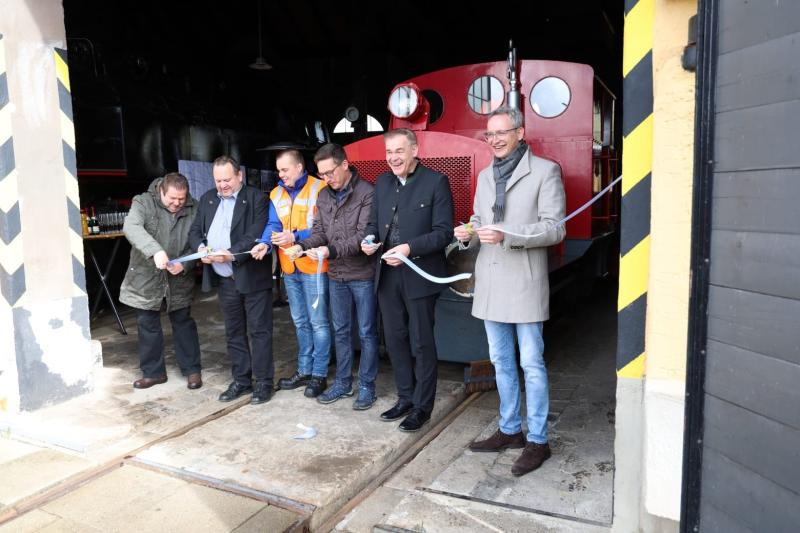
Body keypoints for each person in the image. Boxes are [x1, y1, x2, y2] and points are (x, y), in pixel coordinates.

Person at [454, 106, 566, 476]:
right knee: (501, 362)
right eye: (490, 134)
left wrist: (508, 234)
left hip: (524, 281)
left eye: (502, 132)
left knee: (530, 364)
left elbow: (554, 229)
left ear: (521, 131)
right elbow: (479, 220)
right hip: (491, 280)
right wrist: (467, 233)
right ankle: (508, 430)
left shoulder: (546, 171)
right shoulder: (485, 176)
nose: (495, 139)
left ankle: (538, 440)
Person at [362, 128, 454, 432]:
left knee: (421, 342)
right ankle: (404, 398)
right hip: (387, 274)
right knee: (395, 340)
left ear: (415, 150)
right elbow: (374, 223)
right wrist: (369, 240)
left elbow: (443, 233)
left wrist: (409, 248)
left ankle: (422, 406)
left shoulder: (436, 182)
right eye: (389, 153)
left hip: (420, 275)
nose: (393, 158)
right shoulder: (383, 181)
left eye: (399, 151)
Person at [296, 143, 379, 410]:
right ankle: (343, 382)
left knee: (366, 332)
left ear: (345, 164)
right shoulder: (323, 195)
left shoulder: (367, 192)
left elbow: (363, 235)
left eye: (330, 172)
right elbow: (320, 231)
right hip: (336, 274)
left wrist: (329, 250)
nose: (326, 179)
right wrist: (304, 245)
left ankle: (367, 385)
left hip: (362, 273)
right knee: (341, 330)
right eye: (321, 174)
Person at [188, 155, 275, 405]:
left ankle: (264, 383)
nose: (222, 185)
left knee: (259, 331)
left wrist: (231, 254)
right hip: (225, 279)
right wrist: (201, 248)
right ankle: (242, 380)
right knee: (234, 332)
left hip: (252, 276)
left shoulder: (257, 198)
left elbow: (255, 233)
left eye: (227, 179)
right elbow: (195, 231)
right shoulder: (208, 199)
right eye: (218, 180)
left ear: (240, 176)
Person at [251, 150, 331, 398]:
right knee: (300, 321)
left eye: (285, 169)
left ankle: (319, 374)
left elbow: (326, 227)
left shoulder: (321, 188)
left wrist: (295, 236)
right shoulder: (276, 193)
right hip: (290, 266)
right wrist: (265, 242)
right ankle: (304, 370)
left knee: (318, 322)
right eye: (279, 170)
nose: (280, 174)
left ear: (299, 167)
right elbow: (273, 225)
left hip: (313, 266)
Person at [120, 173, 202, 390]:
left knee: (183, 322)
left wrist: (186, 264)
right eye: (171, 199)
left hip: (179, 278)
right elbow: (131, 227)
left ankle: (192, 370)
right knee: (147, 323)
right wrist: (155, 251)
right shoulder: (143, 202)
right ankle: (153, 373)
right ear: (161, 192)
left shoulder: (195, 208)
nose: (177, 204)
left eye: (181, 200)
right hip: (147, 276)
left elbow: (200, 241)